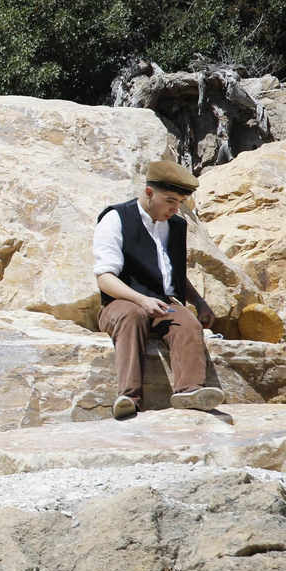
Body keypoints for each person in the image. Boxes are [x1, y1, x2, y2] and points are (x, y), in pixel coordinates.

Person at [92, 160, 223, 419]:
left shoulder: (175, 225)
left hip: (161, 303)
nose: (175, 209)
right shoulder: (116, 218)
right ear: (150, 193)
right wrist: (141, 300)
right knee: (133, 315)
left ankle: (190, 392)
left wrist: (199, 302)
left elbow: (173, 273)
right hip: (119, 303)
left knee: (187, 323)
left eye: (180, 203)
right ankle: (128, 398)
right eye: (170, 201)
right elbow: (105, 278)